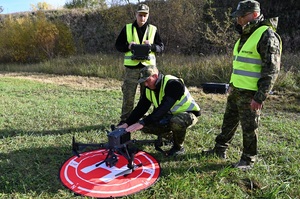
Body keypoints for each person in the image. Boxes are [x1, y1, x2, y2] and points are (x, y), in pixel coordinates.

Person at [202, 0, 282, 170]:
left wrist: (260, 97)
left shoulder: (266, 35)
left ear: (253, 15)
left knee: (249, 128)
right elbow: (241, 64)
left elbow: (272, 71)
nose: (238, 20)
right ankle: (220, 149)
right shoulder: (245, 35)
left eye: (241, 16)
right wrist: (232, 85)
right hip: (236, 90)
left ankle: (248, 159)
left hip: (251, 93)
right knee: (228, 122)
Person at [118, 65, 201, 157]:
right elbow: (141, 108)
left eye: (147, 80)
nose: (145, 84)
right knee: (144, 125)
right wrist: (127, 123)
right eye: (143, 82)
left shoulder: (173, 83)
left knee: (176, 121)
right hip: (168, 115)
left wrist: (143, 122)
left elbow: (164, 108)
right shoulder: (149, 88)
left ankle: (178, 147)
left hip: (188, 114)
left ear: (155, 76)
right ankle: (170, 137)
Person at [115, 4, 164, 125]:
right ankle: (125, 120)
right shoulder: (127, 28)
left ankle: (144, 120)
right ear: (136, 14)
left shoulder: (153, 29)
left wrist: (151, 46)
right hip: (131, 69)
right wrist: (128, 46)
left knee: (147, 96)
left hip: (148, 70)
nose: (142, 18)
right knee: (128, 95)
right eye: (140, 15)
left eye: (145, 15)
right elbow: (118, 45)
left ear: (148, 16)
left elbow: (161, 47)